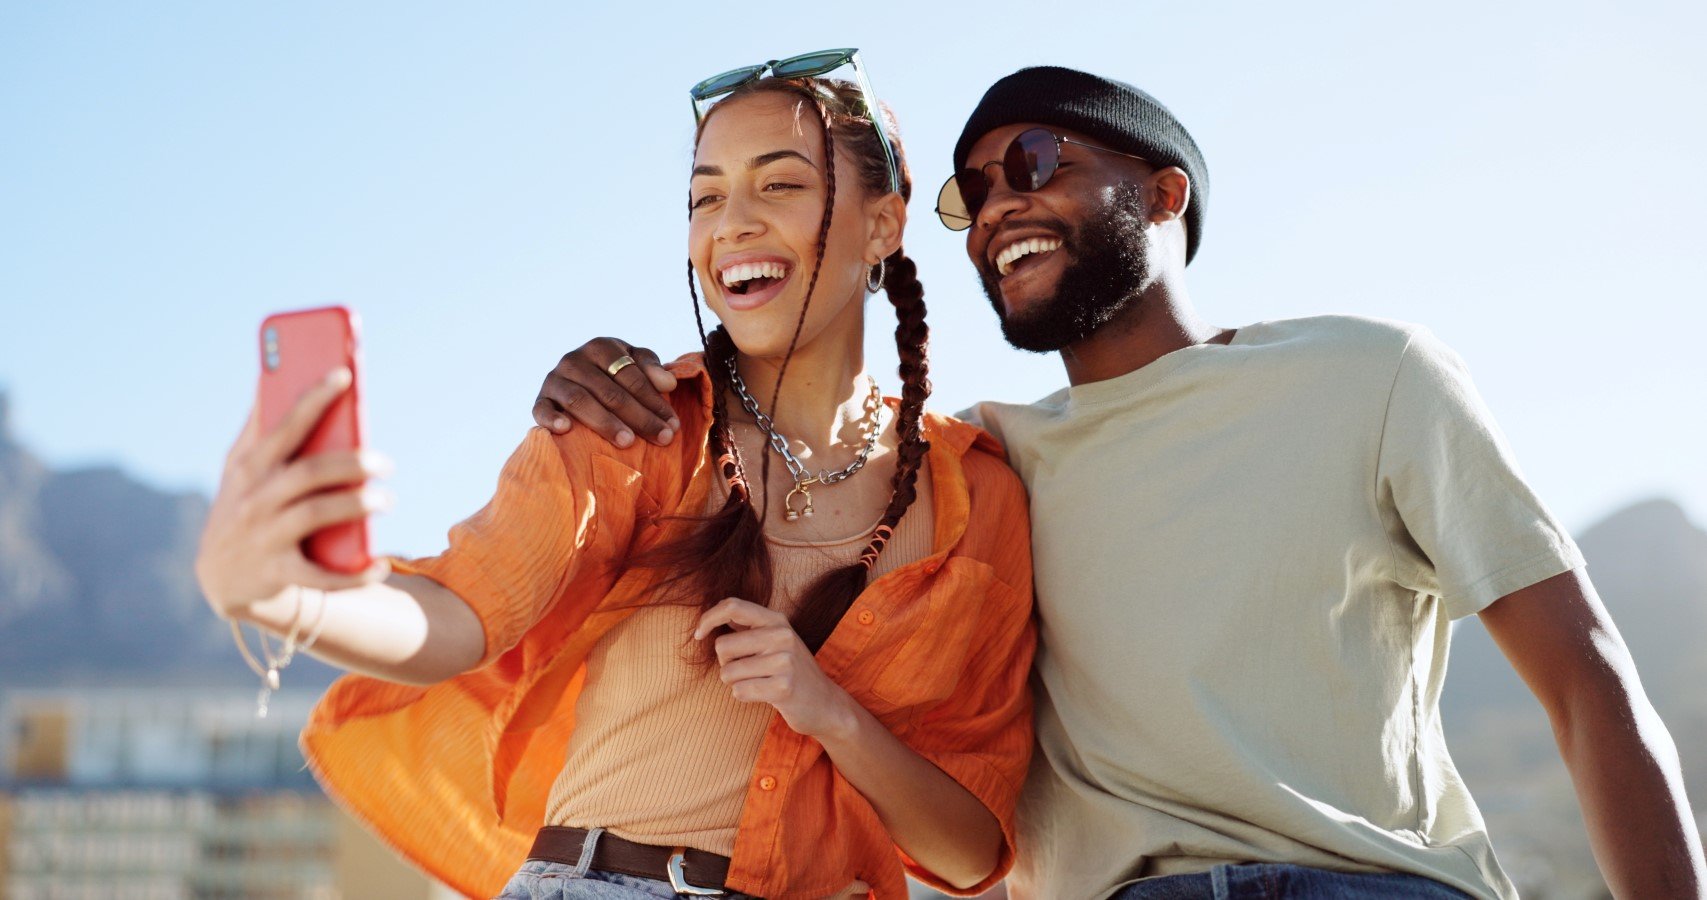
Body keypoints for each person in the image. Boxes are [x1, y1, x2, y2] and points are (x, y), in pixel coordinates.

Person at [530, 66, 1706, 899]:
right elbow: (793, 434)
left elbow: (1588, 684)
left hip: (1373, 883)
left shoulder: (1372, 374)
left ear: (1162, 193)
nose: (998, 208)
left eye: (1036, 164)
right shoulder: (979, 466)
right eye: (971, 193)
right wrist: (609, 372)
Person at [195, 52, 1037, 899]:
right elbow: (457, 616)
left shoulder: (978, 500)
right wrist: (286, 595)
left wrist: (830, 713)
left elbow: (970, 852)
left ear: (883, 225)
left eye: (779, 185)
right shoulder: (631, 428)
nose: (731, 224)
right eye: (704, 198)